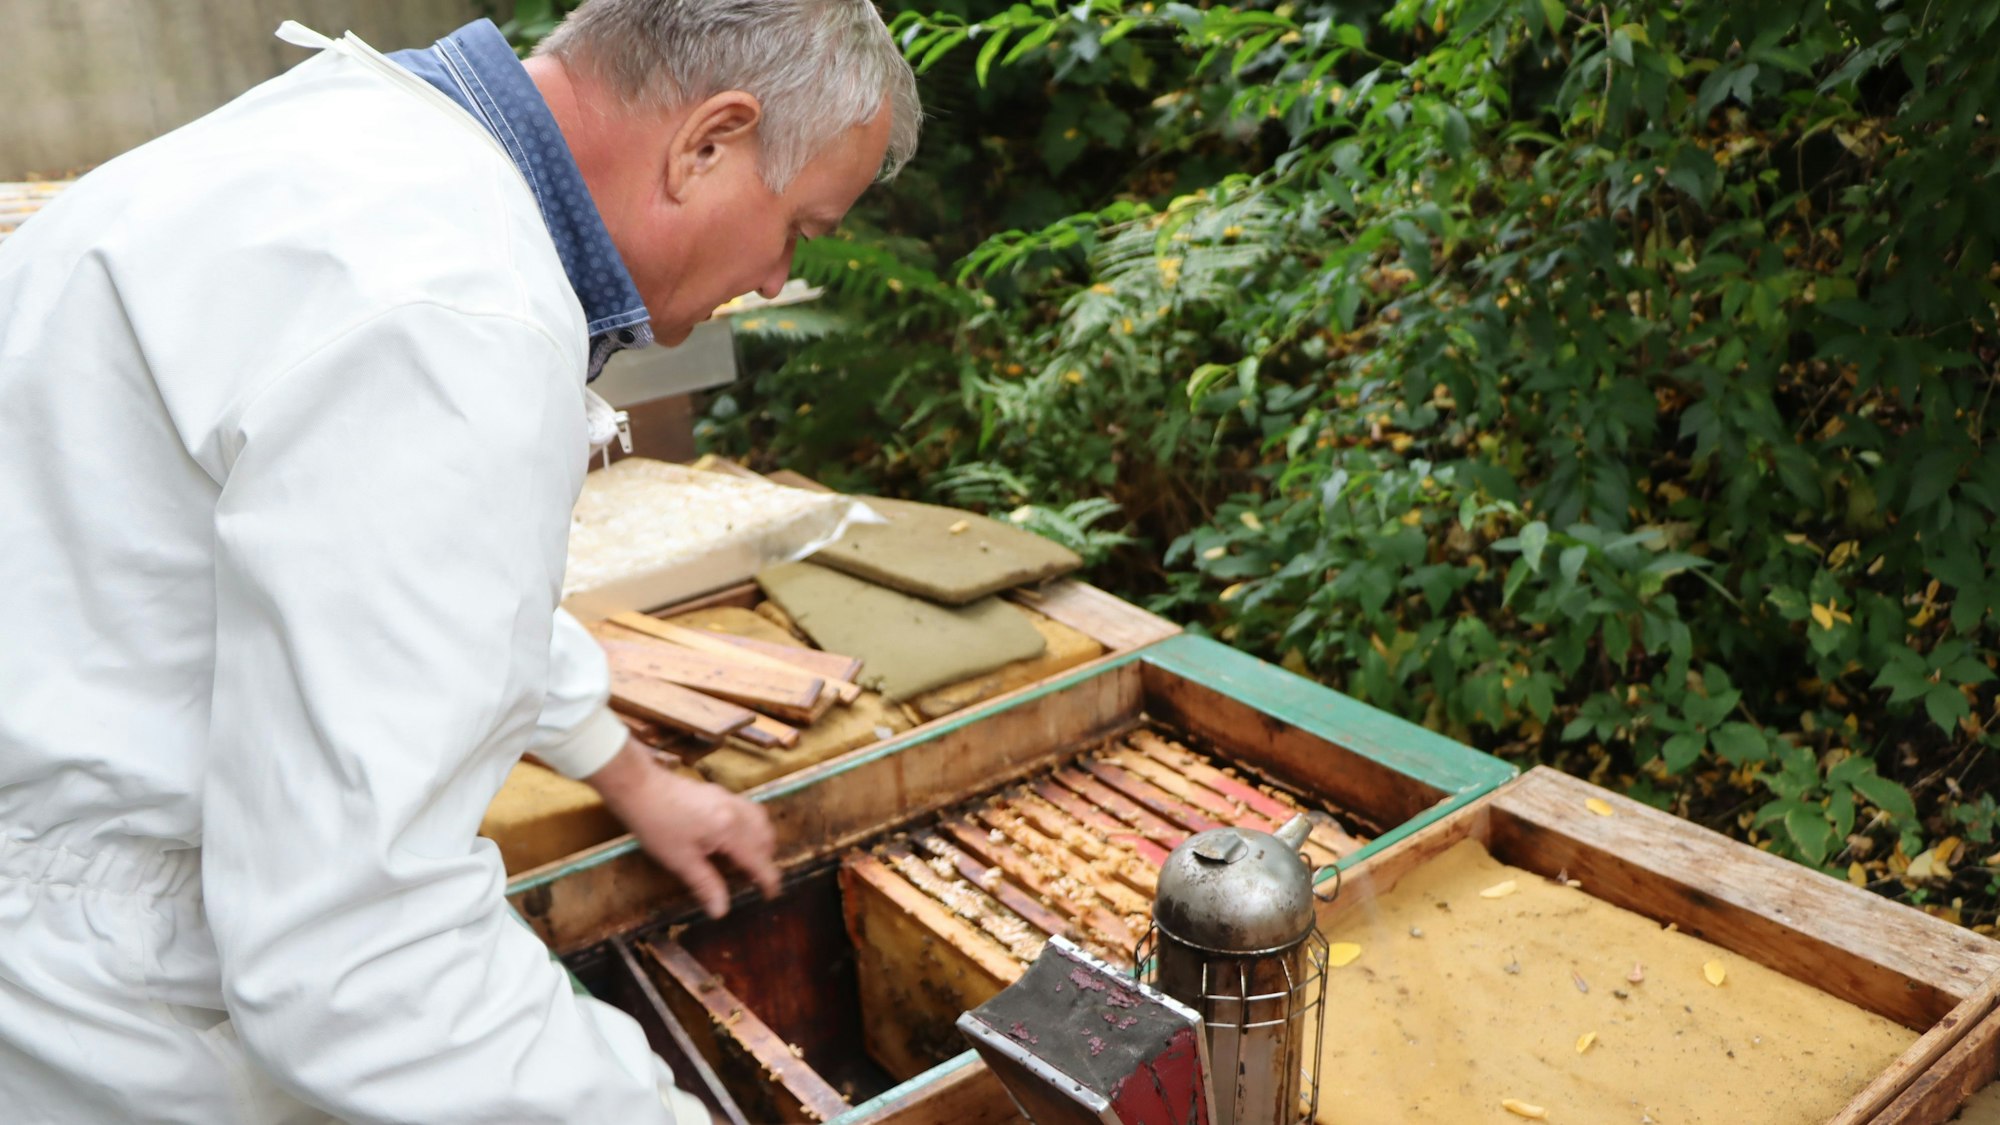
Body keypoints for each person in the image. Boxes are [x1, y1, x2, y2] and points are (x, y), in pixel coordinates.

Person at [0, 0, 920, 1121]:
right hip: (79, 983)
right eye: (800, 229)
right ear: (709, 142)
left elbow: (381, 585)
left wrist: (626, 771)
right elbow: (361, 959)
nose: (776, 279)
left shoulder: (363, 145)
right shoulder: (460, 315)